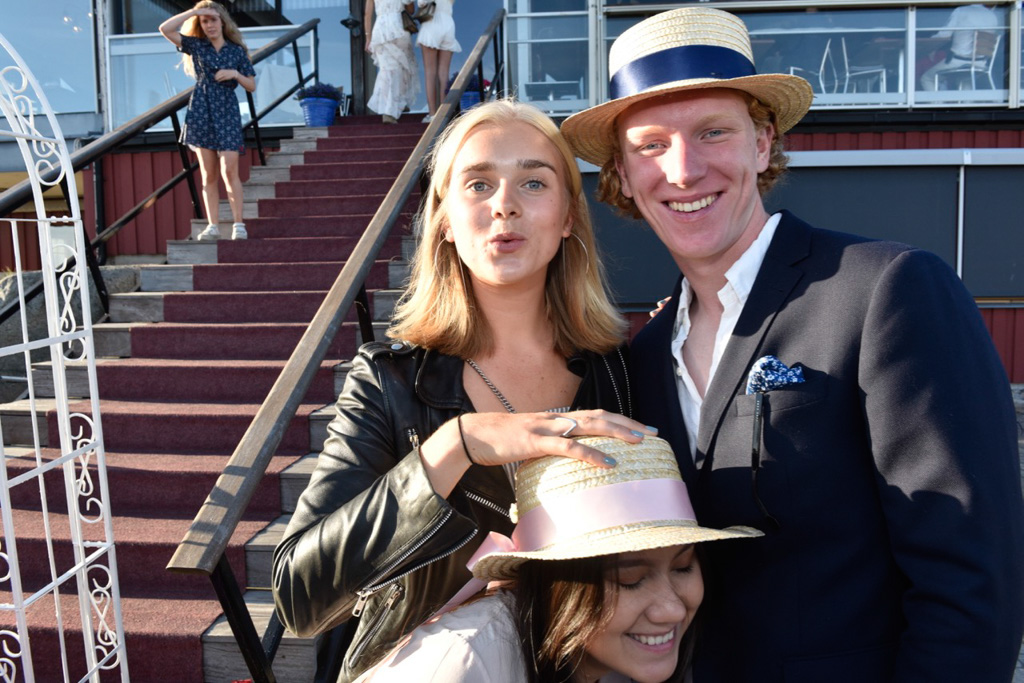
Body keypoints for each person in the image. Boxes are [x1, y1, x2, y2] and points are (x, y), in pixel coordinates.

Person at [561, 7, 1024, 683]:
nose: (683, 170)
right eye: (651, 145)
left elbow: (970, 583)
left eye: (712, 132)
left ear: (761, 142)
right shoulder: (646, 354)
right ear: (624, 176)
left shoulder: (886, 289)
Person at [272, 99, 655, 683]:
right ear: (445, 219)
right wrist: (454, 446)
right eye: (478, 183)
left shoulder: (621, 372)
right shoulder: (390, 383)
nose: (505, 204)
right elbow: (298, 595)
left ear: (568, 217)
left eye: (533, 181)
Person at [354, 436, 761, 683]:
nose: (671, 609)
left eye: (683, 567)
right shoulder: (461, 663)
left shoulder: (606, 658)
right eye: (631, 579)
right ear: (556, 581)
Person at [159, 1, 256, 241]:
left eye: (213, 19)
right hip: (202, 109)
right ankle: (213, 225)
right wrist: (194, 12)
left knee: (230, 169)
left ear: (222, 21)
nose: (209, 25)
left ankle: (238, 224)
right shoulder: (197, 45)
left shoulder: (236, 51)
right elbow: (165, 29)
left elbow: (251, 85)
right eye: (204, 21)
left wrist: (235, 74)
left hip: (227, 109)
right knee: (208, 174)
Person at [919, 4, 999, 91]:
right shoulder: (992, 15)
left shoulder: (961, 11)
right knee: (966, 80)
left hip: (958, 62)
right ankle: (967, 100)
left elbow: (944, 35)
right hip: (980, 64)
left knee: (927, 78)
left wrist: (929, 41)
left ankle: (937, 100)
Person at [364, 0, 420, 124]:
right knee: (402, 67)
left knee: (387, 70)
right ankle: (397, 105)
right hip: (398, 26)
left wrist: (368, 38)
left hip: (381, 29)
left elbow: (367, 14)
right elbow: (411, 10)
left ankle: (391, 109)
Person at [415, 0, 460, 123]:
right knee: (444, 73)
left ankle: (432, 114)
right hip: (448, 24)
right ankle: (444, 114)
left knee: (430, 73)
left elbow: (421, 3)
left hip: (432, 23)